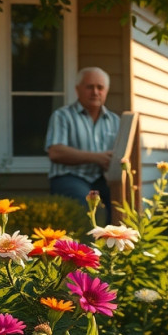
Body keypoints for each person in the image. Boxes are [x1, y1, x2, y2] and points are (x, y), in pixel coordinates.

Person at [45, 67, 120, 224]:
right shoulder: (62, 115)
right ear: (78, 89)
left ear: (106, 91)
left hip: (100, 179)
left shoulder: (115, 121)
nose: (95, 92)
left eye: (100, 87)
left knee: (121, 205)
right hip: (68, 176)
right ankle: (83, 247)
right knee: (85, 205)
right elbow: (56, 152)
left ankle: (113, 247)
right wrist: (96, 158)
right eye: (89, 87)